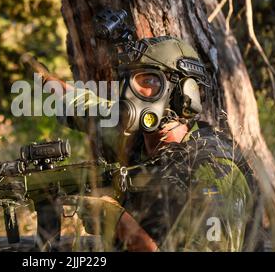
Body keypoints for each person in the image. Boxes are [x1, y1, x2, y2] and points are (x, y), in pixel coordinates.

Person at [35, 36, 260, 252]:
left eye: (148, 81)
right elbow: (90, 107)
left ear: (183, 94)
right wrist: (44, 78)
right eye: (125, 81)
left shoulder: (214, 169)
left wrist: (121, 223)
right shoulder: (136, 141)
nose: (129, 93)